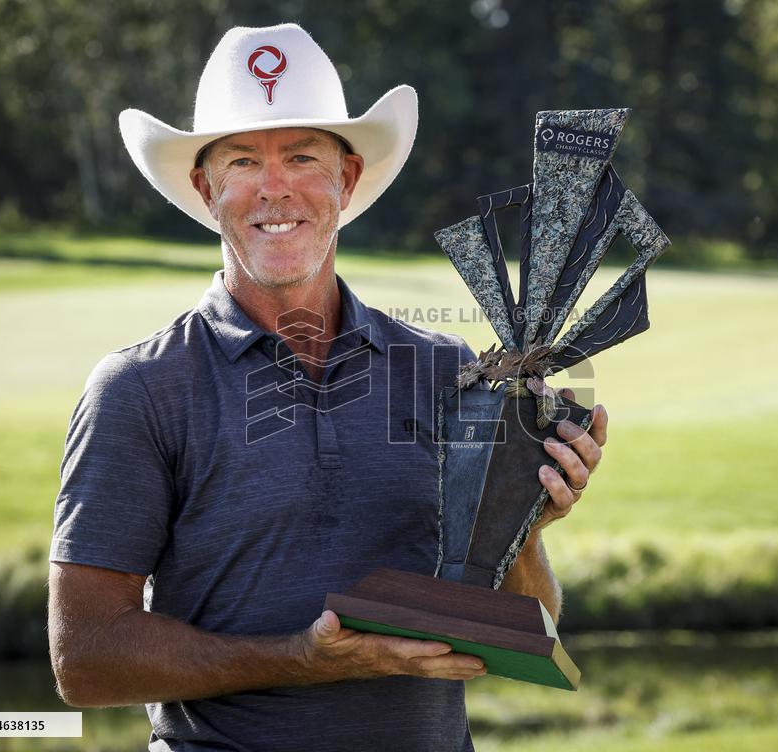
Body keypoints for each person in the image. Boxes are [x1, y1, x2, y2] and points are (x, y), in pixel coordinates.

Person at [48, 23, 607, 752]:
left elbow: (520, 631)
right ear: (205, 187)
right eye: (243, 160)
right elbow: (85, 660)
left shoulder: (448, 373)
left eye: (303, 157)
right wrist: (299, 661)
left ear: (344, 180)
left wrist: (523, 524)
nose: (274, 187)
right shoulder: (139, 390)